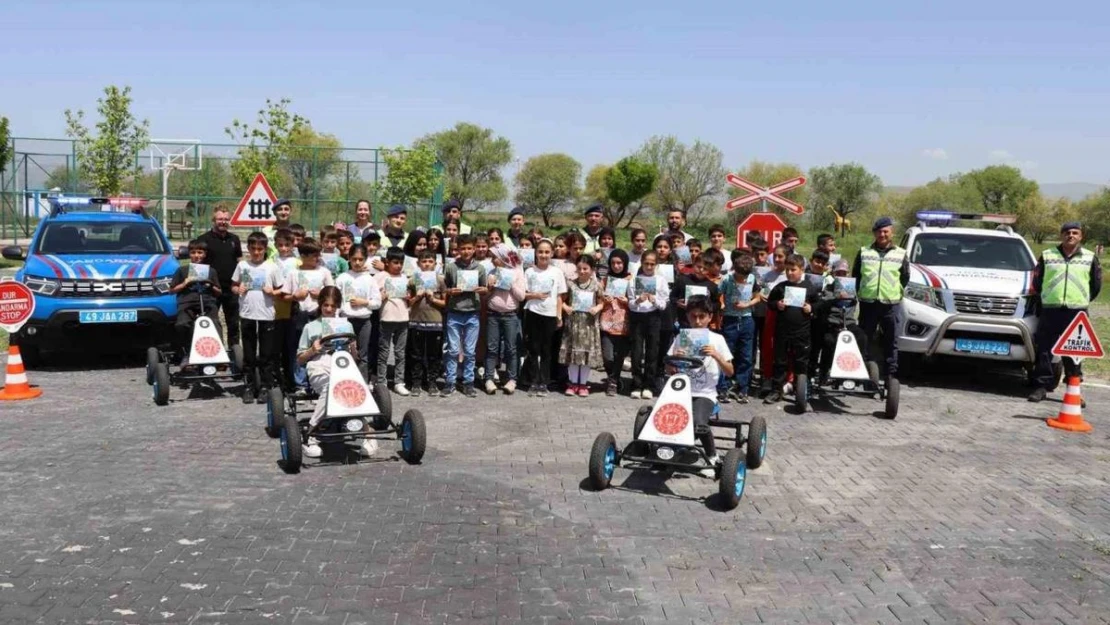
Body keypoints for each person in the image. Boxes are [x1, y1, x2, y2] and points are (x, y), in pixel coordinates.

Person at [297, 286, 376, 459]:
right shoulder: (310, 327)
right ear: (320, 305)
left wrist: (353, 349)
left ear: (338, 306)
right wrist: (312, 350)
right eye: (326, 305)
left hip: (342, 363)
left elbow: (354, 358)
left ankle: (366, 431)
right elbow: (300, 359)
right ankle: (310, 433)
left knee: (352, 387)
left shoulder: (346, 325)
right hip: (319, 364)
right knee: (332, 387)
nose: (329, 309)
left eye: (333, 306)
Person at [1028, 221, 1103, 402]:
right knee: (1045, 349)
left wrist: (1080, 300)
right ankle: (1041, 387)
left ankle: (1073, 388)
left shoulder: (1090, 257)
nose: (1071, 235)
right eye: (1067, 232)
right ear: (1061, 235)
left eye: (1075, 232)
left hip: (1077, 312)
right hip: (1051, 310)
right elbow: (1037, 282)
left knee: (1074, 352)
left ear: (1080, 236)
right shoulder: (1047, 255)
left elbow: (1095, 285)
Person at [665, 295, 733, 465]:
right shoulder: (681, 338)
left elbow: (730, 371)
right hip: (681, 390)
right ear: (687, 317)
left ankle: (712, 456)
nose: (697, 321)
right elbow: (668, 368)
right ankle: (668, 447)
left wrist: (716, 355)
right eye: (693, 316)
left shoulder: (717, 340)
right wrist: (674, 357)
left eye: (701, 316)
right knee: (663, 417)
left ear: (710, 317)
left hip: (705, 393)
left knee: (698, 422)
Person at [852, 216, 910, 383]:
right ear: (874, 233)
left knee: (891, 340)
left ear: (892, 233)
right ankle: (861, 371)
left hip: (890, 305)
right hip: (868, 304)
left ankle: (890, 375)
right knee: (864, 338)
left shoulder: (901, 254)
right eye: (879, 231)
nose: (882, 234)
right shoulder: (864, 252)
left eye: (885, 231)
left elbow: (904, 278)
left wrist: (893, 292)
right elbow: (856, 275)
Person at [231, 231, 284, 404]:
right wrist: (237, 290)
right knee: (249, 353)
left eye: (259, 249)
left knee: (266, 354)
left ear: (265, 249)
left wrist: (273, 292)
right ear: (248, 248)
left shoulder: (272, 267)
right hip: (247, 313)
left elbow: (281, 290)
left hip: (266, 314)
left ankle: (265, 387)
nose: (256, 252)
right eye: (253, 248)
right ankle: (249, 386)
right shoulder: (242, 266)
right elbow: (234, 285)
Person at [764, 254, 823, 405]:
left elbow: (818, 304)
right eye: (787, 270)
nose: (790, 273)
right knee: (780, 361)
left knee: (801, 361)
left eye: (793, 270)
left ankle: (800, 389)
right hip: (782, 331)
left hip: (802, 332)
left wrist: (811, 308)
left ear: (802, 269)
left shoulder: (809, 287)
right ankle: (776, 390)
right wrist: (777, 305)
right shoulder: (781, 287)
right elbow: (770, 302)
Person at [281, 238, 335, 390]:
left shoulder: (324, 272)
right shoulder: (293, 273)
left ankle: (320, 379)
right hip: (299, 315)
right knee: (300, 348)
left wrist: (321, 294)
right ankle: (300, 383)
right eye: (314, 256)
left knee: (321, 346)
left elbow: (333, 293)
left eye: (319, 255)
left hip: (319, 316)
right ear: (303, 256)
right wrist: (295, 296)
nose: (318, 258)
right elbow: (284, 296)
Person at [441, 233, 488, 397]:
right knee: (452, 350)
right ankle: (450, 382)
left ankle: (468, 382)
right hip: (454, 313)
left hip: (472, 314)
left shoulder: (480, 268)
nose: (466, 251)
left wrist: (483, 290)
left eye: (469, 248)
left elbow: (485, 288)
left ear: (474, 249)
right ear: (457, 250)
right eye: (463, 248)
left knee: (469, 351)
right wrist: (449, 291)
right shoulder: (451, 267)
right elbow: (444, 288)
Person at [522, 239, 567, 397]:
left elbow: (560, 296)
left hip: (550, 314)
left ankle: (544, 382)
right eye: (540, 252)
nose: (543, 255)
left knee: (547, 350)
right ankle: (534, 381)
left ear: (552, 253)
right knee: (533, 349)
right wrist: (535, 295)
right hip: (533, 313)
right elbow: (523, 294)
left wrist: (559, 315)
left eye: (547, 252)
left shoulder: (557, 272)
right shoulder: (529, 272)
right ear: (535, 253)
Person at [716, 249, 761, 404]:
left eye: (744, 277)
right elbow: (718, 293)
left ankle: (743, 388)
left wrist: (747, 304)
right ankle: (724, 387)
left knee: (746, 356)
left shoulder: (752, 278)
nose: (742, 280)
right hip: (730, 319)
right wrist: (722, 303)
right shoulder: (727, 279)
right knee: (727, 354)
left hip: (747, 320)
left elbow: (757, 297)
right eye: (739, 276)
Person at [197, 206, 243, 346]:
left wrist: (244, 281)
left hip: (231, 288)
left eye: (226, 219)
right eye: (220, 219)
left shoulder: (234, 239)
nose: (223, 222)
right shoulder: (204, 239)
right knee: (213, 322)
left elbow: (240, 261)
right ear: (213, 220)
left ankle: (234, 354)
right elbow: (198, 263)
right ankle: (216, 353)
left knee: (233, 324)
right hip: (211, 288)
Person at [815, 259, 868, 383]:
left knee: (862, 337)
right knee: (829, 341)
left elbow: (856, 302)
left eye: (844, 273)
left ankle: (860, 369)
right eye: (838, 273)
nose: (841, 276)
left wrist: (851, 298)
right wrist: (836, 298)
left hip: (848, 323)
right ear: (833, 274)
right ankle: (824, 370)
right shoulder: (828, 288)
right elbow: (823, 305)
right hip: (833, 323)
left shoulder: (852, 288)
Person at [169, 239, 222, 361]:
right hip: (187, 302)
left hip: (207, 302)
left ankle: (218, 354)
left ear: (204, 254)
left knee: (214, 323)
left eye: (200, 252)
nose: (197, 255)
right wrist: (184, 283)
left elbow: (219, 292)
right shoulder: (182, 270)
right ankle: (185, 353)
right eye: (193, 252)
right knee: (182, 324)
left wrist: (210, 284)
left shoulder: (211, 271)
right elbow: (172, 290)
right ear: (189, 254)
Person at [559, 254, 604, 397]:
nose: (582, 271)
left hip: (589, 325)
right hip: (574, 324)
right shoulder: (571, 284)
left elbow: (602, 302)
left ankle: (583, 384)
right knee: (573, 355)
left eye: (586, 268)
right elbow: (562, 299)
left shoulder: (596, 285)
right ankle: (572, 384)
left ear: (592, 270)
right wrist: (565, 308)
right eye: (580, 268)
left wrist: (597, 308)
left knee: (585, 356)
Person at [628, 251, 670, 399]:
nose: (649, 266)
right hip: (638, 318)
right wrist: (639, 300)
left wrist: (654, 300)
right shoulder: (634, 280)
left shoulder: (660, 280)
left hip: (654, 317)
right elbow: (630, 303)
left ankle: (648, 385)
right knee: (637, 351)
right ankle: (636, 383)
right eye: (646, 263)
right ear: (642, 263)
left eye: (652, 264)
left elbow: (664, 304)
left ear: (656, 265)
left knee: (652, 351)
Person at [484, 244, 525, 395]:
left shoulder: (517, 273)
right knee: (492, 347)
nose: (493, 260)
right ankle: (489, 378)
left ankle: (511, 379)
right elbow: (485, 297)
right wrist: (490, 288)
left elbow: (521, 297)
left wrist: (511, 284)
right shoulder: (491, 273)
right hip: (493, 314)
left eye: (495, 257)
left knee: (511, 348)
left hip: (510, 315)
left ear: (503, 258)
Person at [336, 243, 382, 374]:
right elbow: (336, 301)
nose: (357, 262)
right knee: (344, 352)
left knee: (363, 353)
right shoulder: (342, 278)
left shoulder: (369, 279)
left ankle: (363, 383)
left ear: (366, 259)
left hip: (364, 321)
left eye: (361, 259)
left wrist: (365, 302)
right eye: (354, 259)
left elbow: (377, 302)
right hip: (345, 320)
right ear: (349, 258)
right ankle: (344, 380)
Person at [373, 247, 412, 395]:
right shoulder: (380, 277)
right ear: (387, 262)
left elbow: (409, 298)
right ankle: (382, 382)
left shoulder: (404, 278)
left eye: (401, 262)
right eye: (395, 262)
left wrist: (408, 297)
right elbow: (374, 297)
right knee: (383, 352)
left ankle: (399, 382)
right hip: (386, 319)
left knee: (400, 352)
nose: (398, 266)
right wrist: (382, 295)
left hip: (403, 318)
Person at [407, 250, 446, 397]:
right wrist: (417, 297)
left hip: (435, 322)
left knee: (434, 354)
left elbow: (445, 303)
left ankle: (432, 383)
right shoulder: (413, 280)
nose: (427, 264)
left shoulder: (440, 280)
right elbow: (408, 302)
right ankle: (416, 383)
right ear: (418, 264)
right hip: (416, 321)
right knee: (416, 354)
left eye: (430, 261)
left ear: (435, 264)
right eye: (424, 261)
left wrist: (433, 299)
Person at [600, 249, 632, 397]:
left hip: (623, 322)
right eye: (613, 263)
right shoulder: (606, 280)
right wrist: (603, 300)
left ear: (625, 264)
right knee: (607, 356)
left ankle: (613, 381)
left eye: (619, 263)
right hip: (607, 322)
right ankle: (613, 378)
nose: (616, 266)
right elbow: (597, 298)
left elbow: (637, 300)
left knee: (619, 355)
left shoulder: (631, 279)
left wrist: (628, 301)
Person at [272, 229, 299, 391]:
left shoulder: (297, 262)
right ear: (275, 245)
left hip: (293, 306)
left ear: (292, 245)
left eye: (286, 245)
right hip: (275, 307)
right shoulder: (271, 261)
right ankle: (278, 379)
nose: (283, 248)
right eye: (280, 245)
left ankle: (292, 380)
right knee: (277, 345)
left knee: (292, 345)